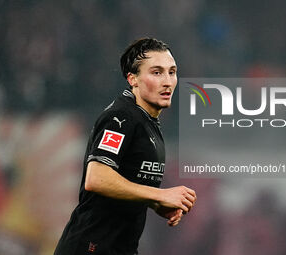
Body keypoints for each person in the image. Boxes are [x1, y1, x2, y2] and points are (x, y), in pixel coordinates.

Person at [54, 37, 197, 255]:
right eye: (156, 72)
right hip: (91, 247)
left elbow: (127, 184)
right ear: (133, 79)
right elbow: (97, 177)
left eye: (172, 71)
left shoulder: (147, 121)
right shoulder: (121, 118)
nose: (168, 81)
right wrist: (159, 195)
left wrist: (157, 205)